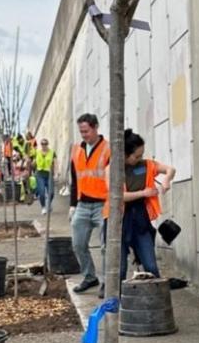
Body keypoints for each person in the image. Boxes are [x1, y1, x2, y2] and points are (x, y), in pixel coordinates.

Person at [107, 129, 175, 283]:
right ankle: (115, 301)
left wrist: (167, 180)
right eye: (136, 156)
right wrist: (143, 193)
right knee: (120, 270)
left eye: (141, 154)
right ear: (125, 154)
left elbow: (170, 169)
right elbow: (116, 197)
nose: (140, 158)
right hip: (117, 224)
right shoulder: (112, 170)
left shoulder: (146, 166)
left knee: (151, 267)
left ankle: (155, 302)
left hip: (140, 222)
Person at [69, 113, 110, 293]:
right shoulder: (77, 150)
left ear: (95, 127)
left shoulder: (108, 149)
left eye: (86, 131)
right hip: (83, 205)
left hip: (104, 204)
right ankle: (89, 276)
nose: (83, 135)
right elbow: (74, 179)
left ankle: (108, 282)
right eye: (81, 131)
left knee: (106, 247)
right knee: (78, 244)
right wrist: (72, 205)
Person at [34, 138, 56, 215]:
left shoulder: (52, 152)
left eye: (45, 143)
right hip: (40, 174)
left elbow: (55, 162)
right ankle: (43, 207)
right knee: (42, 192)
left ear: (47, 144)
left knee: (52, 192)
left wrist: (57, 172)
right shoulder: (37, 152)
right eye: (42, 144)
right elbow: (33, 161)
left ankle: (49, 203)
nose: (44, 145)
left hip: (49, 174)